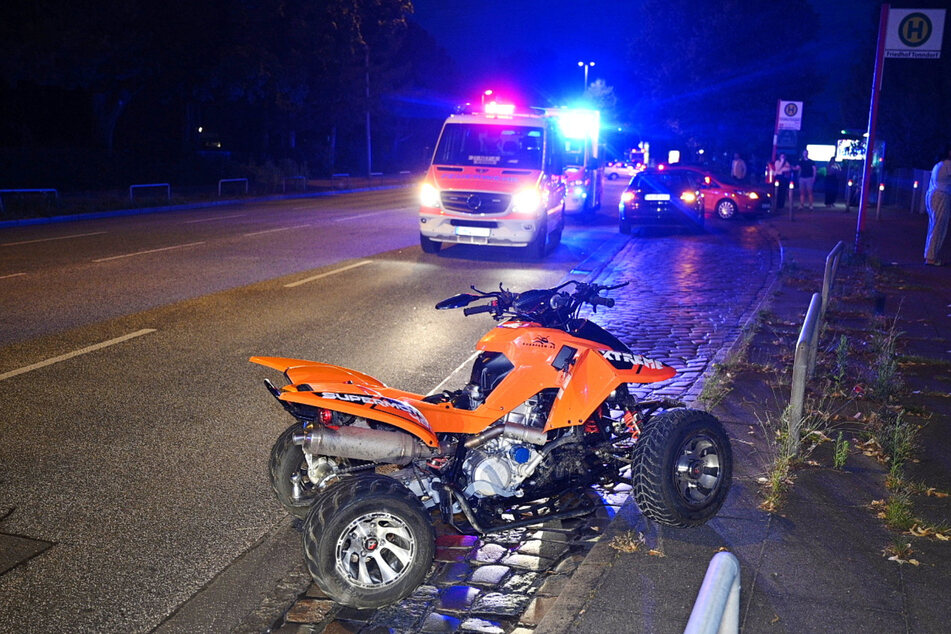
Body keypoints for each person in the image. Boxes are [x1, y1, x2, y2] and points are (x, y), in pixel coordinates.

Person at [924, 144, 951, 266]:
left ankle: (929, 255)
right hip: (941, 196)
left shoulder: (938, 165)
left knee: (934, 226)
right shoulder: (948, 165)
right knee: (938, 227)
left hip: (932, 195)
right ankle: (931, 257)